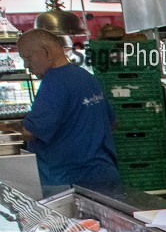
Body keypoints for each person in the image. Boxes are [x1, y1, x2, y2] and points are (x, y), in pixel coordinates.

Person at [8, 29, 119, 192]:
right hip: (103, 173)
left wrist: (7, 130)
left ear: (45, 51)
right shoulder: (86, 76)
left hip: (70, 180)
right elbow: (113, 122)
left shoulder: (54, 82)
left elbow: (31, 131)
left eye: (27, 57)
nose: (26, 65)